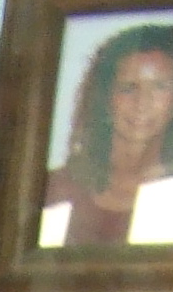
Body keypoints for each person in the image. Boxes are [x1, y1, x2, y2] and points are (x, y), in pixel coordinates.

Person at [41, 22, 173, 248]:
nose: (142, 103)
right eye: (128, 87)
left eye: (160, 86)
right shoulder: (54, 188)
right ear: (104, 98)